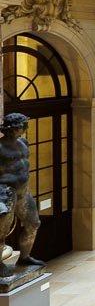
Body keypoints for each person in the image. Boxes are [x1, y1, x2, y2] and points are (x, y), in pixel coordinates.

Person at [0, 112, 42, 272]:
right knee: (1, 232)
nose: (26, 128)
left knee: (33, 224)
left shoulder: (24, 142)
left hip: (23, 192)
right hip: (5, 193)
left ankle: (24, 257)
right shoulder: (0, 147)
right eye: (24, 125)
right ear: (15, 128)